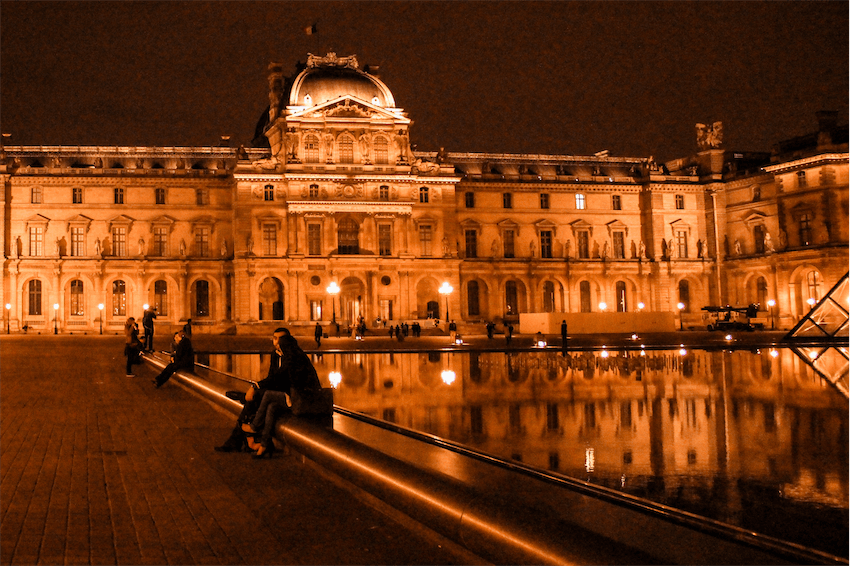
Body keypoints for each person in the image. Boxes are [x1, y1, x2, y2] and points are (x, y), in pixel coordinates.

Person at [215, 328, 318, 453]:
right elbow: (272, 378)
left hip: (297, 396)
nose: (275, 342)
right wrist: (258, 387)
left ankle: (243, 438)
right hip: (285, 393)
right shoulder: (275, 355)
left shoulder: (292, 355)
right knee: (258, 400)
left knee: (256, 399)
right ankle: (255, 441)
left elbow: (282, 377)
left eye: (279, 339)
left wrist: (256, 387)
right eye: (274, 338)